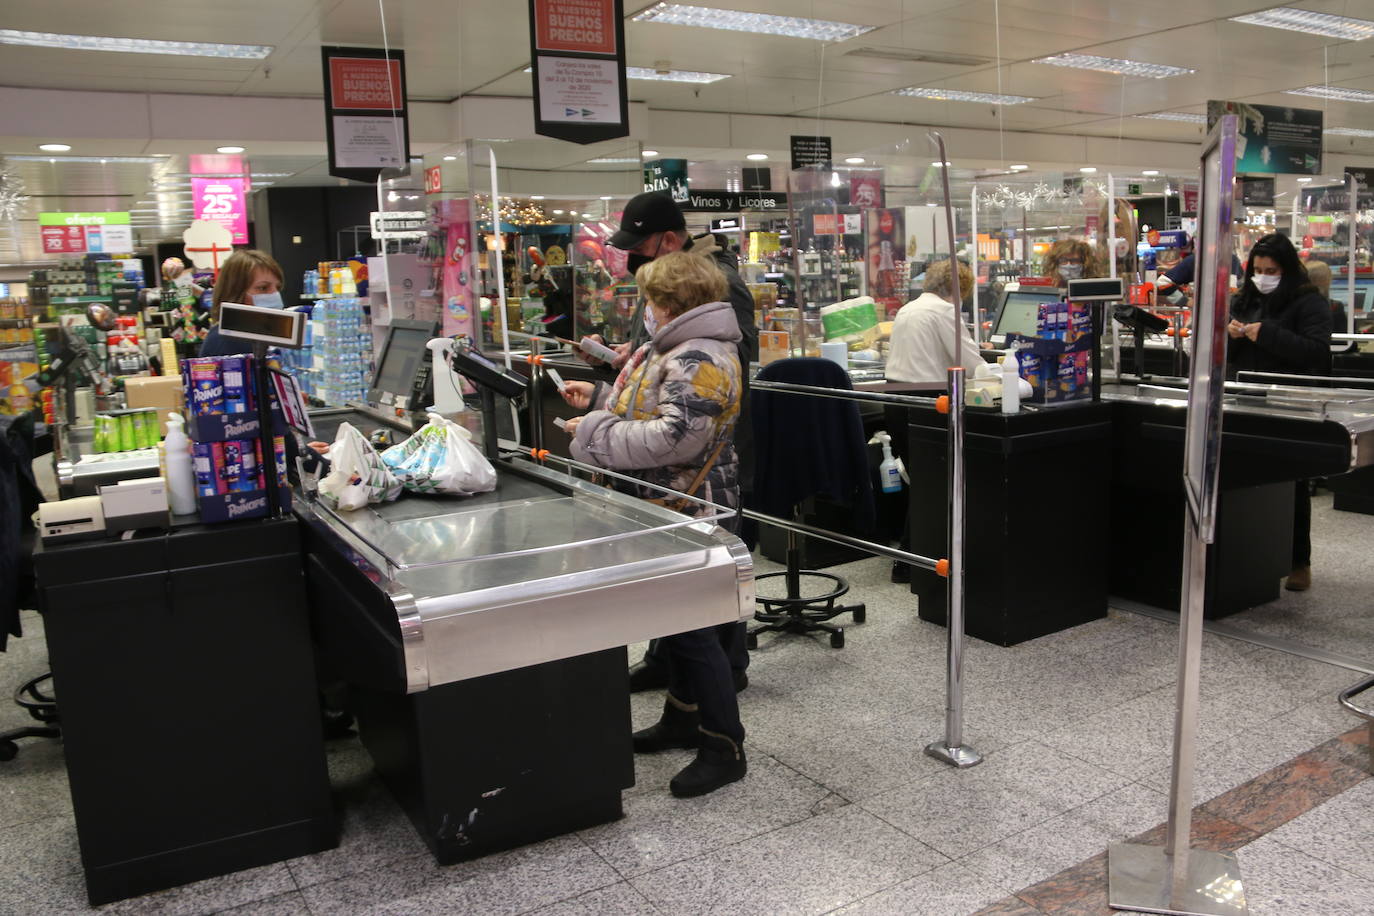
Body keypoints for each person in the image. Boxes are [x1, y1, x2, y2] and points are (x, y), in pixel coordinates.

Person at [558, 251, 747, 798]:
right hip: (660, 501)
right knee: (678, 623)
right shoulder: (671, 349)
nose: (645, 308)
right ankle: (683, 719)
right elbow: (655, 409)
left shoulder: (700, 356)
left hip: (689, 505)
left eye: (649, 299)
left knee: (693, 630)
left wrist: (593, 431)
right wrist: (596, 400)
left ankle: (725, 744)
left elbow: (677, 438)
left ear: (668, 302)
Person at [591, 191, 757, 694]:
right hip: (672, 458)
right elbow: (669, 348)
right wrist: (638, 358)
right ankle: (671, 664)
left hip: (703, 461)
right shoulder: (667, 280)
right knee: (671, 577)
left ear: (667, 239)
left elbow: (725, 361)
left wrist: (668, 367)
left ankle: (724, 673)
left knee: (709, 572)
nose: (634, 256)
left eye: (640, 245)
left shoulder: (715, 282)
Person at [1227, 233, 1331, 593]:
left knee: (1293, 485)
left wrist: (1266, 334)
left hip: (1290, 403)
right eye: (1257, 269)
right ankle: (1248, 554)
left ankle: (1299, 561)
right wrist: (1230, 337)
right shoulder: (1244, 299)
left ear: (1286, 270)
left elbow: (1317, 352)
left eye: (1271, 270)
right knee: (1245, 481)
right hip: (1245, 399)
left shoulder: (1308, 302)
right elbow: (1225, 352)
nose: (1263, 276)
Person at [886, 259, 985, 384]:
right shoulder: (944, 310)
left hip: (894, 393)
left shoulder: (906, 308)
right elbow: (972, 366)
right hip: (929, 395)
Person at [199, 250, 286, 358]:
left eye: (277, 287)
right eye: (263, 288)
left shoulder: (264, 333)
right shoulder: (226, 338)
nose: (275, 294)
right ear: (236, 291)